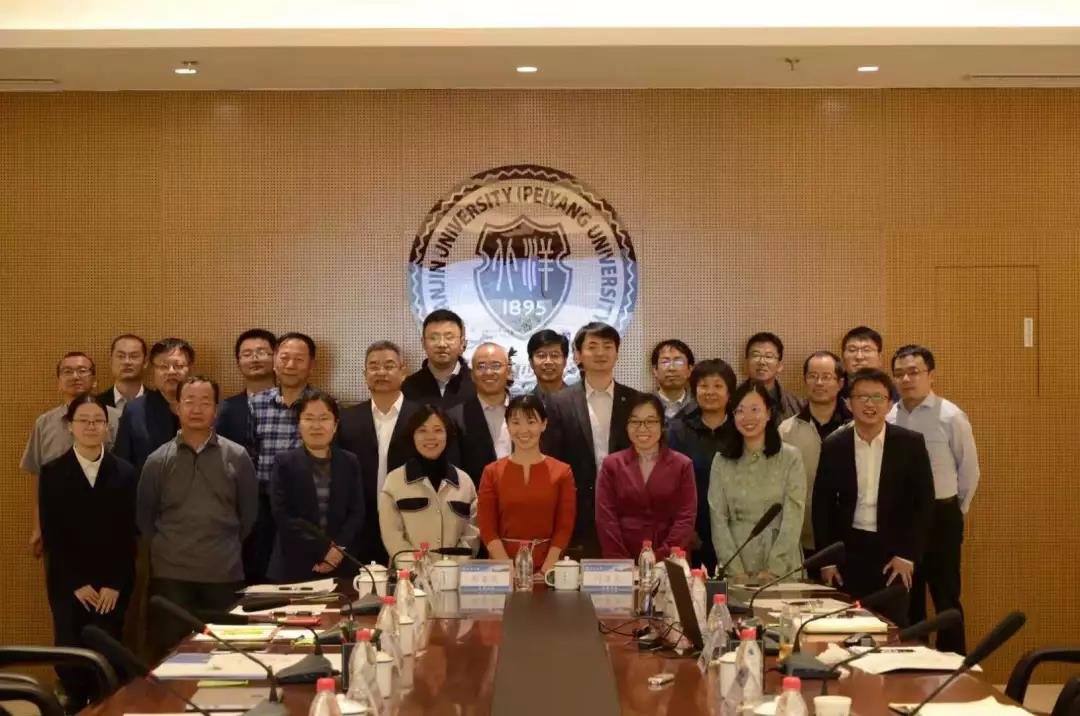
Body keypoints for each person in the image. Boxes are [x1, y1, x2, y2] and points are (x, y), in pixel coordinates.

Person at [137, 376, 258, 657]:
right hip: (171, 575)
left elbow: (249, 515)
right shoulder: (157, 460)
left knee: (224, 654)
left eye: (205, 402)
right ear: (176, 407)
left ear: (216, 409)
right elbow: (145, 518)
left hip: (223, 572)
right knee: (172, 655)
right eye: (189, 401)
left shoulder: (237, 456)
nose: (196, 409)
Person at [813, 368, 934, 627]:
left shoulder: (910, 444)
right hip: (847, 553)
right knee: (844, 627)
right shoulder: (834, 445)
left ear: (889, 404)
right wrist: (827, 561)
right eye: (862, 397)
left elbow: (923, 504)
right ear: (849, 403)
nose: (870, 404)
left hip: (893, 555)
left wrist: (907, 555)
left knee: (892, 628)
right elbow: (821, 506)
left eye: (878, 397)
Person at [38, 395, 136, 713]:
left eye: (98, 421)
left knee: (107, 656)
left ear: (107, 427)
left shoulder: (125, 472)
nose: (91, 426)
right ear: (70, 426)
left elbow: (127, 536)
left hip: (111, 586)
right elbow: (53, 534)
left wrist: (114, 584)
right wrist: (75, 583)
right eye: (84, 420)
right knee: (71, 656)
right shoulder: (52, 472)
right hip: (69, 584)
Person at [888, 345, 979, 653]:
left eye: (913, 372)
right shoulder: (889, 416)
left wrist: (954, 510)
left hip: (942, 517)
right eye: (899, 373)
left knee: (946, 597)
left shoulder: (951, 416)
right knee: (908, 598)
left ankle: (956, 666)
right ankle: (915, 663)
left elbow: (969, 470)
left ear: (931, 375)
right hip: (904, 520)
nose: (906, 379)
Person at [542, 322, 639, 556]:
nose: (600, 353)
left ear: (617, 352)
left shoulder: (635, 401)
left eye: (608, 346)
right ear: (578, 355)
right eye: (592, 346)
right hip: (577, 512)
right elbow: (552, 460)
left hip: (627, 511)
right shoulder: (559, 402)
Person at [23, 352, 121, 559]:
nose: (75, 376)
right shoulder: (44, 423)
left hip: (107, 525)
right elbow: (39, 478)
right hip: (57, 526)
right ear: (58, 382)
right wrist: (38, 527)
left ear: (95, 381)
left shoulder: (116, 419)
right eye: (67, 371)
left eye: (82, 371)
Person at [709, 381, 806, 581]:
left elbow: (794, 517)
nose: (748, 417)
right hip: (737, 557)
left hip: (781, 562)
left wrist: (774, 568)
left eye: (755, 409)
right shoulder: (721, 461)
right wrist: (734, 570)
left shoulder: (790, 457)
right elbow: (718, 519)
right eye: (740, 411)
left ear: (768, 413)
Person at [268, 392, 365, 583]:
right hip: (295, 563)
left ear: (335, 425)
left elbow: (357, 512)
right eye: (309, 418)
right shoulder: (284, 463)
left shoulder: (350, 461)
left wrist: (336, 551)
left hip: (341, 563)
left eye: (324, 418)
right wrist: (322, 551)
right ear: (299, 424)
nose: (316, 425)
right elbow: (283, 515)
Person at [337, 340, 419, 564]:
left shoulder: (422, 417)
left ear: (403, 372)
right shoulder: (346, 419)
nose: (381, 372)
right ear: (365, 374)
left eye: (389, 366)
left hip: (411, 522)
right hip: (360, 526)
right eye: (373, 367)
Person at [247, 332, 317, 584]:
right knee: (262, 577)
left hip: (306, 507)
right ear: (275, 361)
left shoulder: (322, 407)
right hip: (263, 505)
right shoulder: (256, 404)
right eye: (284, 358)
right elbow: (250, 454)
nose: (290, 365)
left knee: (303, 579)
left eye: (298, 359)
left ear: (311, 366)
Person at [477, 395, 576, 573]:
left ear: (544, 424)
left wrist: (547, 569)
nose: (523, 430)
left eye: (531, 422)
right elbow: (487, 528)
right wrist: (508, 568)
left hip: (548, 568)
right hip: (502, 569)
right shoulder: (491, 472)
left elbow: (564, 526)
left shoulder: (562, 472)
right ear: (507, 426)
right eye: (516, 423)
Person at [595, 394, 695, 560]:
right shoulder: (611, 465)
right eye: (635, 422)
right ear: (626, 426)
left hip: (670, 559)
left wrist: (661, 557)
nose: (642, 428)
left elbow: (685, 518)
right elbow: (606, 519)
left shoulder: (682, 465)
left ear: (662, 425)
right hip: (622, 559)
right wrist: (622, 562)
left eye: (650, 421)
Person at [378, 404, 480, 561]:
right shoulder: (394, 481)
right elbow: (393, 536)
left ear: (448, 435)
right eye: (422, 430)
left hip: (455, 572)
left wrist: (453, 565)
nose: (430, 437)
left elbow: (472, 532)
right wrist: (419, 567)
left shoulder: (464, 482)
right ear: (412, 435)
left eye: (438, 430)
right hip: (409, 573)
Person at [667, 358, 737, 572]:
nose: (710, 392)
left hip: (736, 533)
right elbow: (671, 485)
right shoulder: (678, 431)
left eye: (718, 386)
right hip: (692, 533)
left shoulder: (740, 430)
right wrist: (685, 529)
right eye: (703, 386)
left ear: (729, 393)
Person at [779, 351, 848, 556]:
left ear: (840, 383)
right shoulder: (786, 430)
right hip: (800, 538)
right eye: (813, 376)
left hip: (847, 538)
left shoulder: (855, 428)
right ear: (805, 380)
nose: (819, 383)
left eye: (826, 377)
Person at [114, 337, 193, 472]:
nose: (171, 371)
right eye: (163, 366)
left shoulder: (204, 408)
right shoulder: (135, 410)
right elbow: (122, 463)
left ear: (190, 369)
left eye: (178, 366)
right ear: (153, 370)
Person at [447, 342, 513, 486]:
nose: (488, 372)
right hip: (476, 496)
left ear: (508, 371)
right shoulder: (455, 417)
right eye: (481, 366)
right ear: (472, 374)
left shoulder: (524, 410)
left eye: (496, 365)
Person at [215, 329, 277, 452]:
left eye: (262, 352)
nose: (255, 359)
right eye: (247, 354)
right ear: (238, 363)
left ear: (276, 358)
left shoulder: (289, 403)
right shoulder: (225, 408)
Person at [402, 309, 475, 409]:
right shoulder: (407, 387)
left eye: (449, 337)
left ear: (462, 343)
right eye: (434, 338)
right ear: (423, 343)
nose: (442, 344)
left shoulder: (478, 383)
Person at [744, 332, 802, 422]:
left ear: (780, 365)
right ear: (746, 363)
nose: (761, 362)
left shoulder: (797, 406)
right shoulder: (731, 402)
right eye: (756, 355)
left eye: (768, 356)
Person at [97, 334, 147, 412]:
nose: (127, 362)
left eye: (134, 356)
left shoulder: (159, 402)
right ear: (111, 362)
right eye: (121, 356)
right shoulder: (96, 404)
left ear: (145, 362)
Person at [651, 339, 696, 419]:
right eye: (665, 362)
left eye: (678, 362)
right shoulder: (642, 406)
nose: (671, 368)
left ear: (690, 370)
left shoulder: (699, 406)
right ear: (655, 370)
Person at [527, 329, 569, 397]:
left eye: (554, 355)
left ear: (565, 361)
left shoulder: (581, 400)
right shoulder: (525, 402)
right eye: (541, 355)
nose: (548, 361)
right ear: (531, 362)